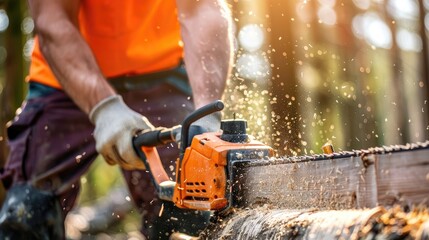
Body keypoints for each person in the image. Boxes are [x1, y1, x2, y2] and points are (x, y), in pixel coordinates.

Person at [0, 0, 233, 239]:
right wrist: (104, 107)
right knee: (28, 212)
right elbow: (52, 19)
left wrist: (206, 111)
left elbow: (202, 8)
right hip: (63, 77)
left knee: (192, 207)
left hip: (161, 70)